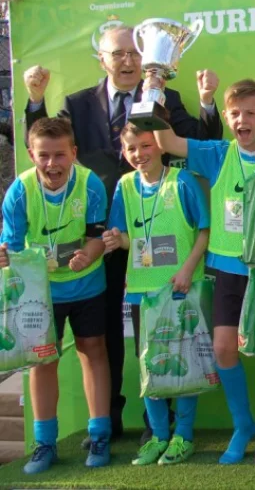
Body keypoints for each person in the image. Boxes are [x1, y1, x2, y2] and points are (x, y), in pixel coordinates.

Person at [23, 26, 223, 441]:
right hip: (96, 236)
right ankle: (108, 423)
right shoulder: (76, 105)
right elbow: (47, 144)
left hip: (157, 238)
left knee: (160, 328)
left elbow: (202, 142)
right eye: (119, 54)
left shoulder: (166, 99)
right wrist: (36, 101)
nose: (129, 61)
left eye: (136, 52)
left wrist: (206, 103)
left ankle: (162, 425)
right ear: (103, 59)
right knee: (103, 337)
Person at [152, 79, 255, 465]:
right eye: (235, 113)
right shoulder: (216, 153)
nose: (242, 120)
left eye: (250, 113)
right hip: (226, 266)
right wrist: (153, 90)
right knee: (225, 349)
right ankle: (243, 425)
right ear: (227, 117)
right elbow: (168, 143)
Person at [0, 118, 111, 473]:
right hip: (41, 289)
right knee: (42, 360)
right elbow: (11, 247)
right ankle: (44, 443)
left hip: (86, 283)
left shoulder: (91, 184)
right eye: (44, 156)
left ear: (73, 154)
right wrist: (4, 255)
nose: (52, 164)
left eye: (59, 155)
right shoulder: (20, 190)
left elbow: (97, 235)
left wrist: (89, 254)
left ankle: (99, 436)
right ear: (31, 154)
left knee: (93, 351)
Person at [102, 123, 210, 465]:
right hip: (142, 294)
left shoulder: (182, 182)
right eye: (132, 148)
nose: (139, 154)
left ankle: (184, 436)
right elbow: (124, 237)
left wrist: (188, 270)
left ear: (160, 146)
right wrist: (115, 241)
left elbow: (205, 231)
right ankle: (159, 436)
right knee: (151, 364)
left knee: (186, 363)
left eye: (146, 146)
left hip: (180, 288)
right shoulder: (124, 186)